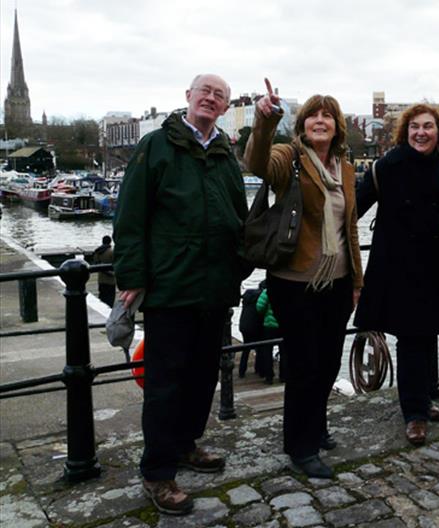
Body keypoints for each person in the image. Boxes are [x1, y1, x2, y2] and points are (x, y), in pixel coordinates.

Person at [114, 74, 248, 515]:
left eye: (219, 95)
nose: (211, 98)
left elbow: (237, 215)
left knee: (202, 376)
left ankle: (187, 443)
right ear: (187, 97)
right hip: (172, 285)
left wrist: (240, 265)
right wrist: (132, 276)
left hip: (215, 287)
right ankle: (157, 471)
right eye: (204, 91)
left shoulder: (226, 153)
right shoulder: (156, 146)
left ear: (226, 107)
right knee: (165, 383)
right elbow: (130, 214)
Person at [245, 79, 363, 479]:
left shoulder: (345, 170)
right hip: (295, 281)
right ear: (302, 124)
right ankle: (300, 447)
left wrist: (357, 283)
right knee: (302, 365)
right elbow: (258, 163)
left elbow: (351, 230)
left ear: (337, 126)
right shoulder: (289, 157)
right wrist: (265, 121)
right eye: (313, 113)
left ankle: (317, 425)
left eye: (327, 114)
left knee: (328, 362)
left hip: (338, 280)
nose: (320, 119)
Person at [355, 104, 439, 446]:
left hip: (432, 264)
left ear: (438, 133)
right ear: (406, 132)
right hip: (398, 265)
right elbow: (355, 207)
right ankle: (414, 414)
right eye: (415, 126)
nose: (421, 132)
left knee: (427, 333)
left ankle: (424, 397)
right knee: (413, 337)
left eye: (428, 127)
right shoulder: (387, 166)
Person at [255, 285, 281, 384]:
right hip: (283, 325)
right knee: (284, 350)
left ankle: (269, 376)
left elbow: (260, 307)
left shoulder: (268, 291)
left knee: (267, 350)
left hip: (269, 325)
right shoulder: (287, 290)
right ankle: (284, 375)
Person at [92, 235, 116, 307]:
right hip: (110, 280)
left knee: (102, 297)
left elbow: (95, 263)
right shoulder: (111, 252)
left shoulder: (97, 251)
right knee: (110, 299)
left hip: (101, 280)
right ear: (110, 242)